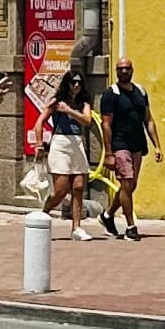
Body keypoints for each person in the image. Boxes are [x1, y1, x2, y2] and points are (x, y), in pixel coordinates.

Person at [44, 66, 101, 235]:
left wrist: (69, 111)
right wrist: (39, 144)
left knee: (78, 186)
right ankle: (44, 212)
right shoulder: (56, 101)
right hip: (60, 142)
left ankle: (77, 227)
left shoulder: (83, 102)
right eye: (73, 82)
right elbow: (40, 121)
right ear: (67, 84)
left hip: (76, 142)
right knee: (60, 190)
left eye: (79, 82)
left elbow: (87, 120)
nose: (76, 85)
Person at [102, 60, 154, 238]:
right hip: (119, 143)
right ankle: (131, 227)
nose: (124, 71)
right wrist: (108, 153)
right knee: (126, 181)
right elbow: (106, 124)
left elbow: (148, 119)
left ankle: (108, 215)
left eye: (127, 68)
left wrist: (157, 145)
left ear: (132, 70)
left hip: (137, 144)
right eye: (120, 69)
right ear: (116, 71)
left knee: (130, 185)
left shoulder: (140, 91)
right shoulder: (111, 94)